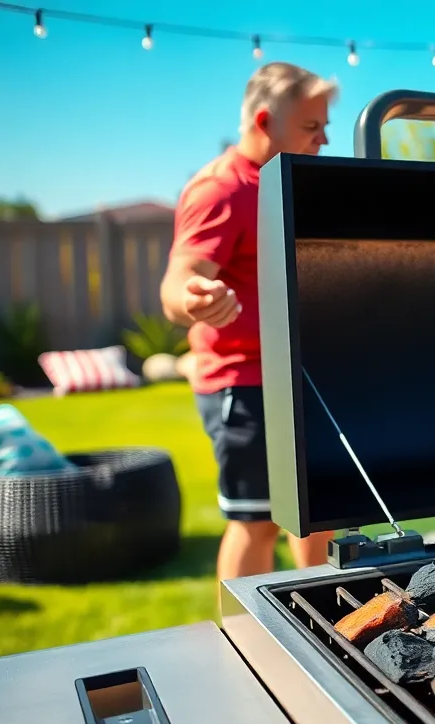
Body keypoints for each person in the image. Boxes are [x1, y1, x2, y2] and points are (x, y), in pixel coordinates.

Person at [160, 62, 338, 582]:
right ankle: (239, 645)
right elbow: (178, 281)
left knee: (316, 520)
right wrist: (194, 298)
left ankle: (320, 626)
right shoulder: (220, 189)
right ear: (265, 121)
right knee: (257, 523)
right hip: (246, 383)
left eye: (325, 125)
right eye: (312, 127)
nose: (325, 139)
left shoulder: (290, 180)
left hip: (300, 376)